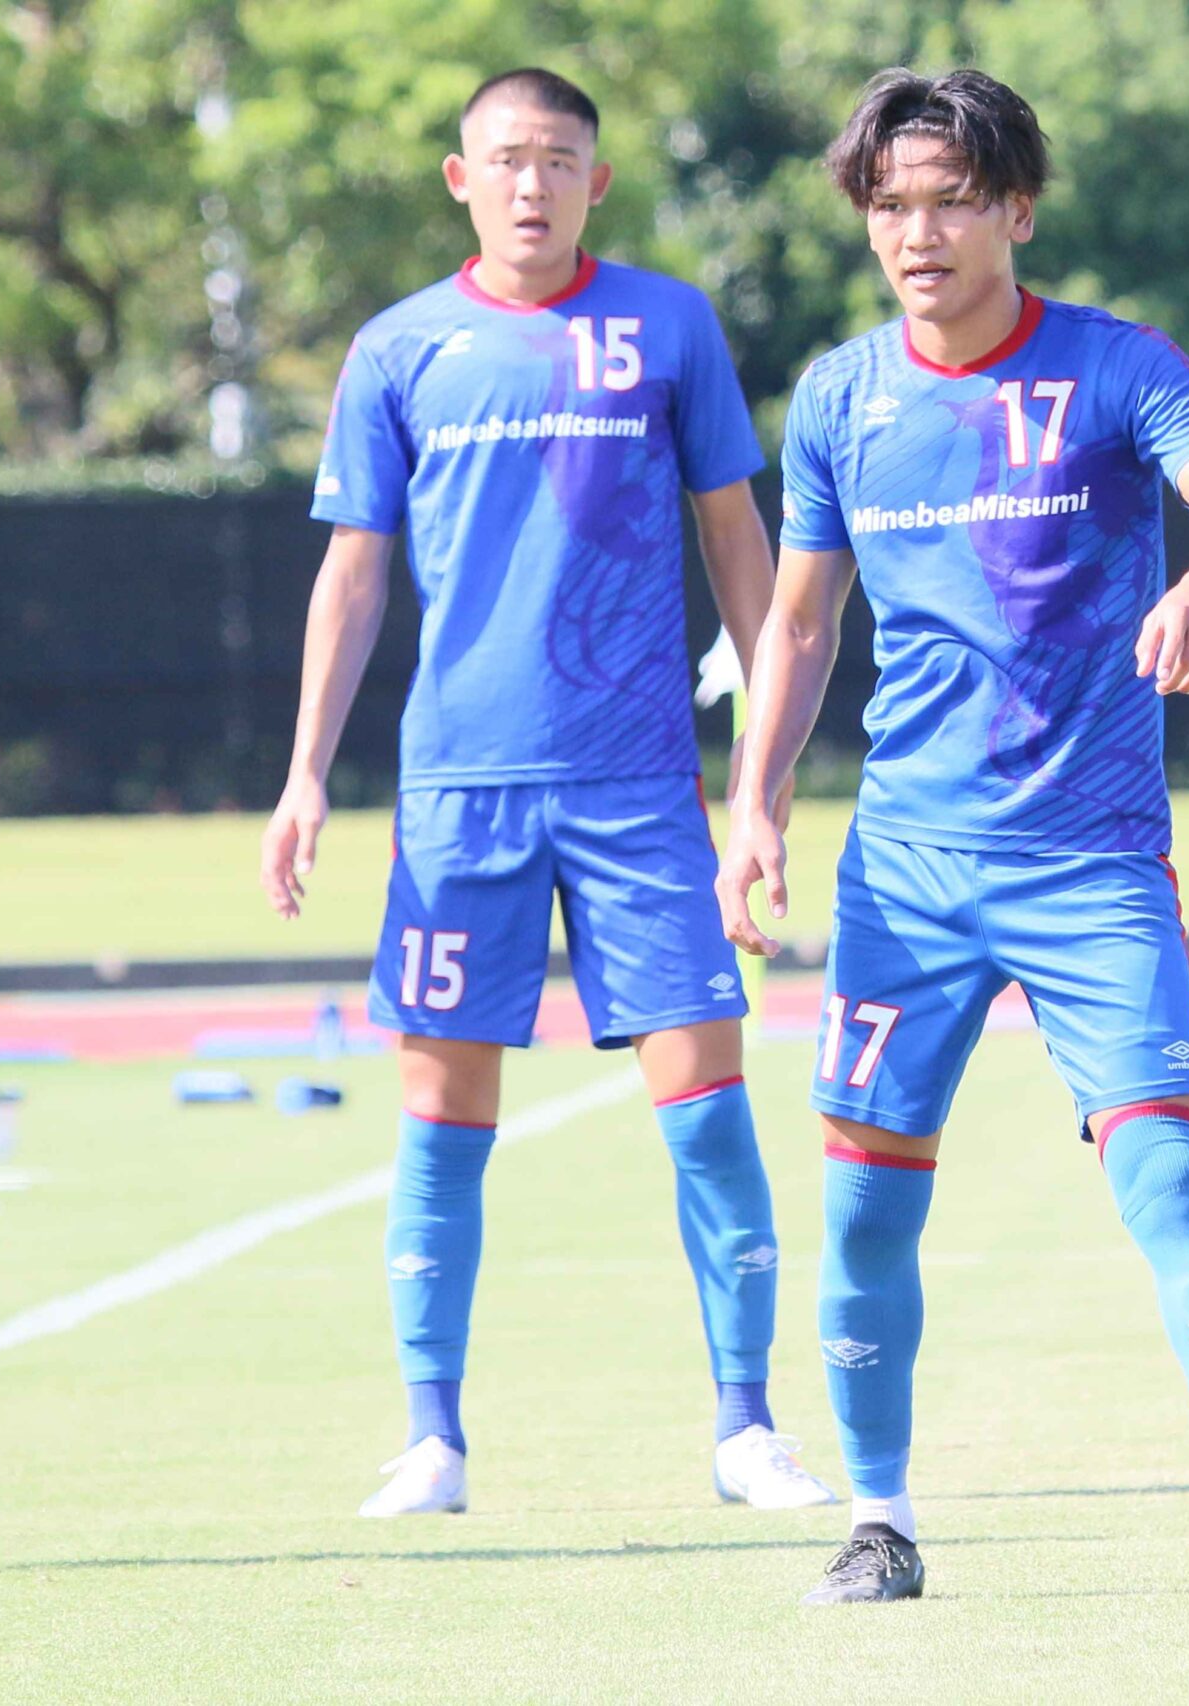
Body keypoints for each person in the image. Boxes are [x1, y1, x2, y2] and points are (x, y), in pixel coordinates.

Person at [716, 69, 1189, 1605]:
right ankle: (881, 1519)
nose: (917, 233)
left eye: (951, 202)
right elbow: (801, 623)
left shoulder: (1115, 367)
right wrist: (755, 803)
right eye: (890, 205)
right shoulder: (839, 399)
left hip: (1092, 858)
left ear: (1018, 212)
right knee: (865, 1203)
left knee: (1170, 1178)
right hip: (907, 872)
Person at [262, 67, 833, 1517]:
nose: (533, 184)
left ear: (597, 182)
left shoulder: (668, 326)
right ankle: (433, 1438)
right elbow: (352, 573)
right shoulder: (399, 348)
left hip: (640, 787)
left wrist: (759, 778)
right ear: (462, 178)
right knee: (442, 1113)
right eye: (508, 159)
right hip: (460, 792)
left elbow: (739, 544)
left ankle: (747, 1427)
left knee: (706, 1101)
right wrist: (305, 773)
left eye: (560, 160)